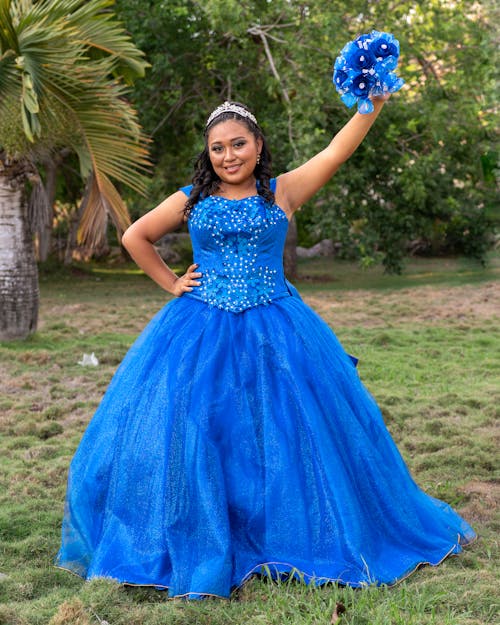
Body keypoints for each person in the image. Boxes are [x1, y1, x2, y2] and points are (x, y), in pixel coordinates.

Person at [55, 98, 475, 599]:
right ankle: (201, 531)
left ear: (257, 145)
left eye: (238, 144)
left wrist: (372, 104)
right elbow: (134, 235)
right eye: (217, 148)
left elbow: (336, 152)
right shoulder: (190, 198)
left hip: (277, 329)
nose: (228, 156)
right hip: (200, 330)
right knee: (199, 429)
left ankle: (286, 534)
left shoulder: (282, 191)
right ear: (207, 153)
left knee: (288, 429)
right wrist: (171, 283)